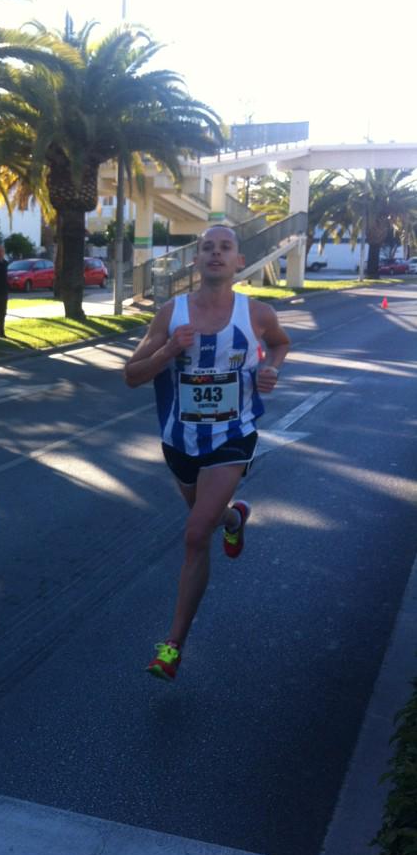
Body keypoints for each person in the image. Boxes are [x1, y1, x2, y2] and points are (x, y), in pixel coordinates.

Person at [124, 225, 291, 682]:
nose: (215, 254)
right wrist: (168, 352)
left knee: (196, 534)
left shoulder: (256, 313)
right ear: (195, 260)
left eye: (225, 248)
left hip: (234, 435)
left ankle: (172, 645)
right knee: (210, 518)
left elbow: (279, 343)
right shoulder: (170, 314)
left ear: (239, 262)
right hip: (180, 441)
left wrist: (272, 370)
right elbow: (132, 375)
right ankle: (235, 518)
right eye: (207, 248)